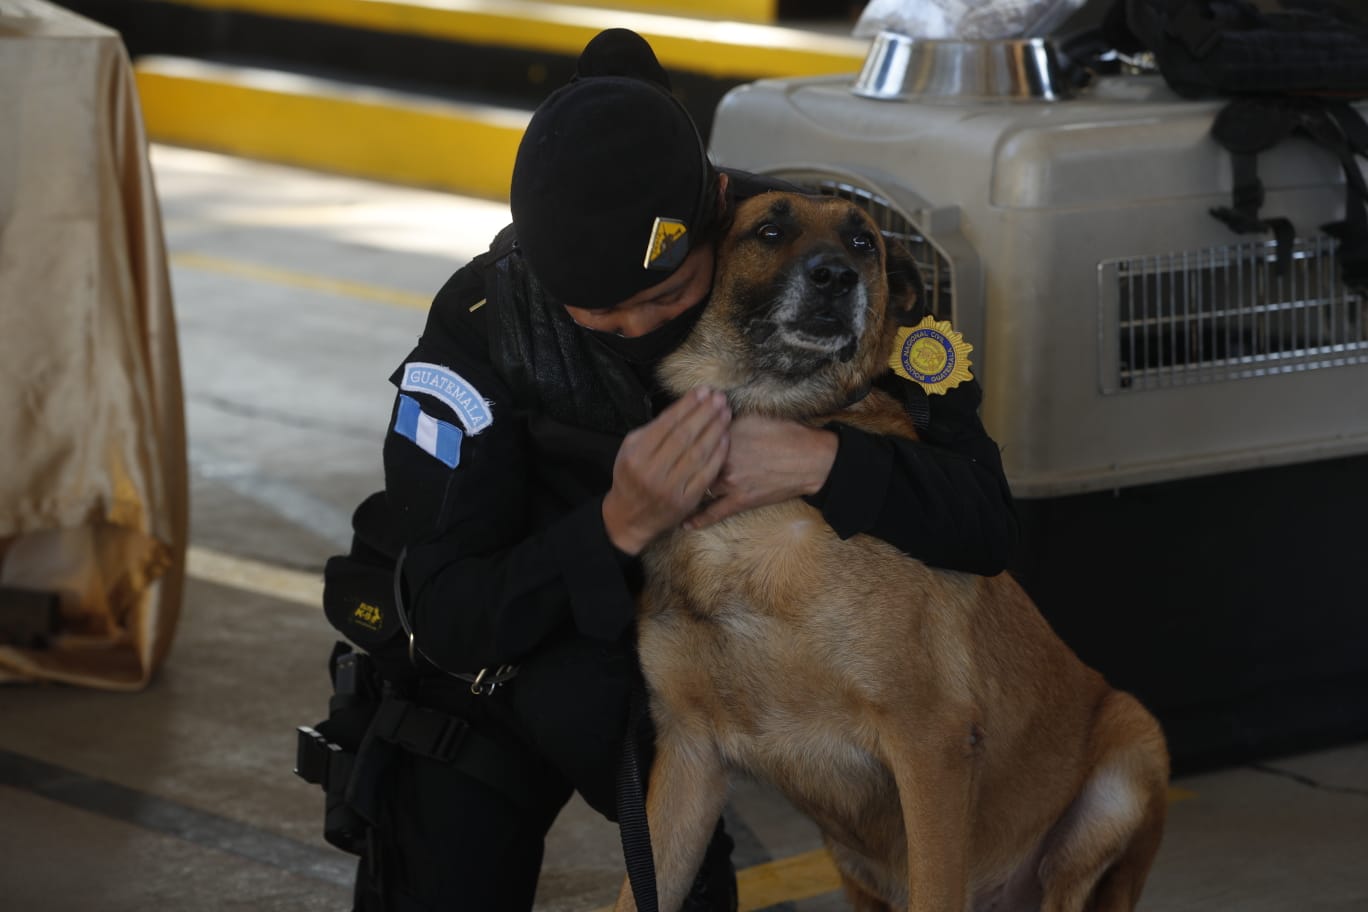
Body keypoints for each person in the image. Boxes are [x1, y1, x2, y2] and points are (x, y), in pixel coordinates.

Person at [348, 27, 1017, 912]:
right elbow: (447, 610)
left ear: (715, 212)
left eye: (666, 298)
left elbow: (986, 523)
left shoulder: (822, 268)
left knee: (680, 865)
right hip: (510, 651)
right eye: (597, 314)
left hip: (678, 663)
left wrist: (826, 458)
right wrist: (614, 525)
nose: (633, 328)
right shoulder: (485, 323)